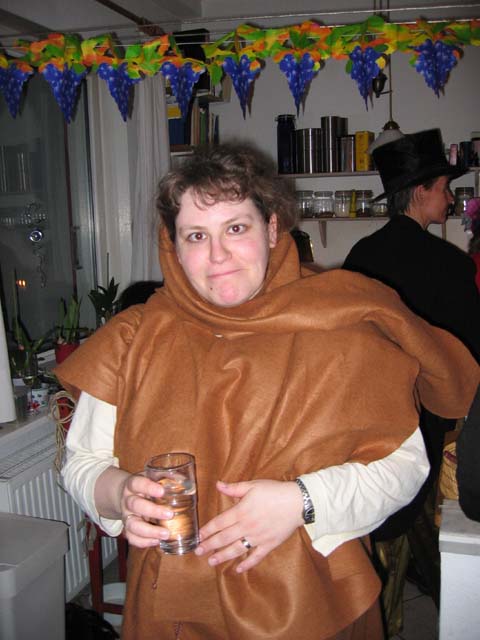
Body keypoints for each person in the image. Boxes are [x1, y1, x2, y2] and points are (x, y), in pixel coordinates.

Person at [55, 142, 478, 640]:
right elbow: (81, 463)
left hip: (311, 602)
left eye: (236, 228)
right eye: (196, 235)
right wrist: (118, 493)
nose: (218, 255)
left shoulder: (342, 326)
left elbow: (403, 470)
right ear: (174, 245)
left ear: (272, 228)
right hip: (171, 608)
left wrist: (301, 501)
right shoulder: (133, 338)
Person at [343, 128, 480, 633]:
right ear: (420, 191)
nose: (451, 199)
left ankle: (381, 613)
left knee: (386, 521)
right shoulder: (449, 264)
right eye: (445, 188)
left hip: (370, 417)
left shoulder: (361, 257)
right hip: (431, 420)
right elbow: (470, 355)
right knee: (431, 529)